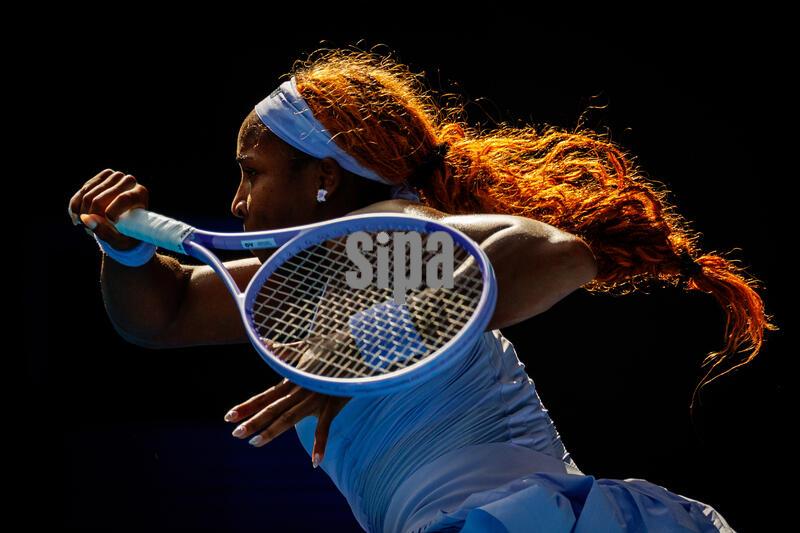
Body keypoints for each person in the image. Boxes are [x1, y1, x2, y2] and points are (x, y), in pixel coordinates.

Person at [70, 47, 772, 532]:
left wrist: (363, 349)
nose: (235, 199)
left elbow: (559, 254)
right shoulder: (307, 272)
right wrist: (124, 249)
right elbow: (160, 317)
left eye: (252, 171)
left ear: (324, 177)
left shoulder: (397, 230)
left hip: (507, 513)